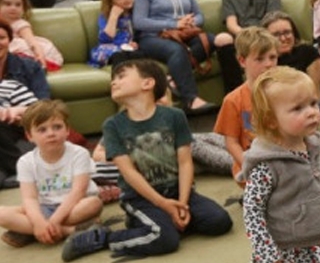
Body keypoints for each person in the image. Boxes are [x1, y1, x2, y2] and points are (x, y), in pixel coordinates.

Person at [61, 59, 233, 261]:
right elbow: (129, 173)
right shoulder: (113, 125)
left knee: (220, 222)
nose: (114, 82)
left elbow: (185, 163)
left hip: (178, 192)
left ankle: (156, 223)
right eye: (113, 79)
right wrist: (164, 204)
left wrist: (183, 203)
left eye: (121, 76)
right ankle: (104, 237)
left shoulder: (175, 116)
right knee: (165, 240)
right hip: (139, 198)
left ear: (147, 83)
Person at [241, 66, 320, 263]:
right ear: (271, 121)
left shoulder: (313, 145)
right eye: (298, 108)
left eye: (313, 103)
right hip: (292, 250)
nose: (312, 112)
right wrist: (266, 252)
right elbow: (252, 210)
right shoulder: (267, 165)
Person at [0, 100, 102, 248]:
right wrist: (38, 222)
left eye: (57, 127)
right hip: (44, 206)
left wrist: (53, 220)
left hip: (75, 205)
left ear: (67, 130)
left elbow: (78, 192)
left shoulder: (79, 154)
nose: (51, 133)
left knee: (94, 204)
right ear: (29, 136)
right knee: (2, 214)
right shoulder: (25, 162)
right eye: (42, 130)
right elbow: (30, 198)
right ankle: (68, 230)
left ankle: (29, 232)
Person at [132, 0, 216, 114]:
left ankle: (172, 75)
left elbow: (199, 15)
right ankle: (191, 100)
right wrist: (174, 24)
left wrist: (189, 23)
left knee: (212, 39)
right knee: (177, 51)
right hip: (153, 37)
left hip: (184, 32)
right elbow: (139, 22)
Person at [213, 27, 278, 185]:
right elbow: (231, 142)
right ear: (242, 61)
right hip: (251, 165)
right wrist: (249, 165)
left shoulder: (284, 91)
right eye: (260, 59)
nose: (269, 64)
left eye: (273, 57)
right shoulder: (233, 100)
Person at [214, 0, 282, 93]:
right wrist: (246, 36)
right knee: (222, 38)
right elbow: (231, 23)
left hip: (266, 35)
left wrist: (257, 37)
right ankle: (234, 93)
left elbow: (273, 21)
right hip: (240, 37)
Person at [0, 19, 49, 189]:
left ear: (10, 40)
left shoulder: (27, 69)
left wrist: (17, 111)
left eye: (1, 38)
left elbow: (43, 108)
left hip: (20, 125)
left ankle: (20, 170)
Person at [0, 0, 64, 71]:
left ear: (24, 9)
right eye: (8, 4)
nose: (13, 8)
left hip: (28, 53)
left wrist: (40, 56)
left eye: (18, 5)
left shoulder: (20, 24)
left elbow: (32, 41)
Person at [261, 11, 320, 91]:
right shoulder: (263, 60)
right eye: (276, 35)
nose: (283, 38)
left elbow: (315, 91)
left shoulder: (309, 52)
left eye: (287, 32)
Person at [89, 0, 138, 67]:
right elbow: (106, 38)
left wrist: (134, 43)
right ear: (111, 3)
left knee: (139, 55)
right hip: (109, 49)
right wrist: (114, 16)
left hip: (128, 49)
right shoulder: (105, 17)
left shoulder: (134, 14)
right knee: (119, 56)